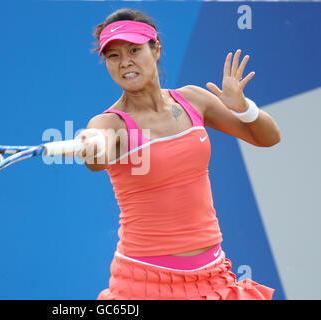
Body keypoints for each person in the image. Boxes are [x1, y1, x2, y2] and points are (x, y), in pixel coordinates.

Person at [75, 8, 280, 300]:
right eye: (114, 55)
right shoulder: (109, 123)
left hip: (213, 274)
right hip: (145, 282)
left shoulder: (193, 100)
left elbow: (268, 138)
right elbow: (97, 161)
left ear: (156, 49)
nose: (125, 63)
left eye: (134, 50)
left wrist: (244, 108)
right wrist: (92, 143)